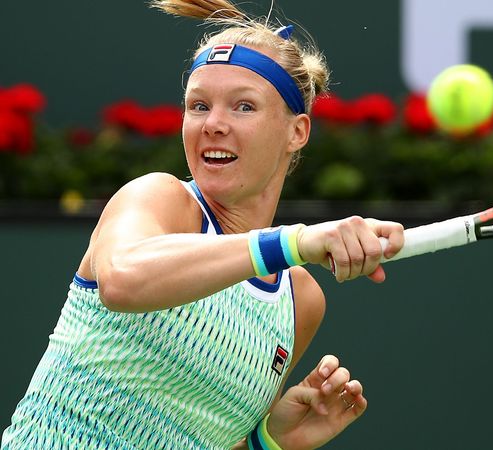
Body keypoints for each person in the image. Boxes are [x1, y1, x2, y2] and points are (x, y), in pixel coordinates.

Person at [1, 0, 405, 449]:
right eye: (198, 106)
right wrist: (295, 242)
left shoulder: (300, 302)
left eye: (243, 107)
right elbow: (122, 280)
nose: (212, 124)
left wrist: (268, 442)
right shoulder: (159, 198)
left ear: (297, 132)